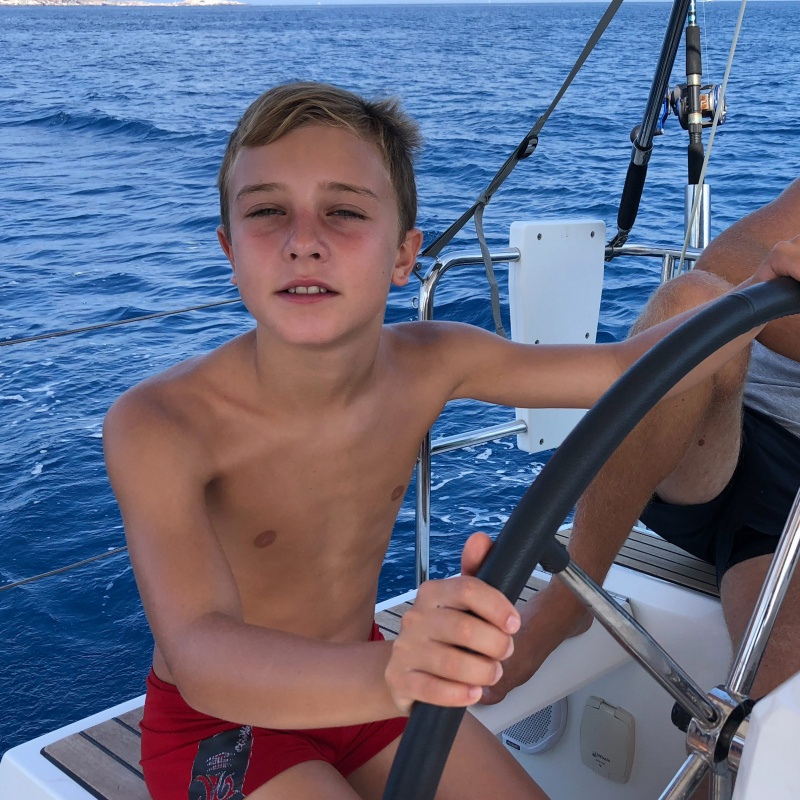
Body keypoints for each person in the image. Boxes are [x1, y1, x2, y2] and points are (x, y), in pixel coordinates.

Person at [103, 82, 800, 800]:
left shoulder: (431, 360)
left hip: (374, 683)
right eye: (266, 211)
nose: (303, 240)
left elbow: (624, 370)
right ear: (228, 249)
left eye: (344, 211)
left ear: (404, 255)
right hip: (226, 722)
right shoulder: (157, 424)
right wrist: (398, 671)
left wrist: (756, 291)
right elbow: (200, 653)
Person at [485, 178, 800, 709]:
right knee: (692, 301)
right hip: (723, 432)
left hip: (780, 521)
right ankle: (572, 595)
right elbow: (728, 262)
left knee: (774, 716)